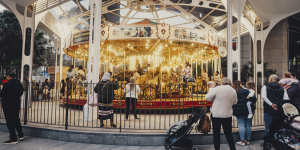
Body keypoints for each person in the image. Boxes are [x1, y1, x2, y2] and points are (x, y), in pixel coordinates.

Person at [206, 77, 237, 150]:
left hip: (216, 115)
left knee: (216, 134)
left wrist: (211, 89)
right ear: (229, 83)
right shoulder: (233, 90)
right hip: (227, 115)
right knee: (229, 134)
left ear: (222, 82)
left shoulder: (217, 89)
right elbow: (235, 102)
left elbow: (207, 98)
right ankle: (233, 148)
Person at [261, 74, 284, 150]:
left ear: (270, 79)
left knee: (268, 128)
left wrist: (271, 104)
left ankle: (267, 145)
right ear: (277, 80)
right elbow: (286, 98)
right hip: (279, 111)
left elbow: (264, 97)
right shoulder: (282, 87)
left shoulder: (265, 87)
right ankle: (276, 144)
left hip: (268, 110)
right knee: (277, 128)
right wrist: (278, 105)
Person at [0, 73, 24, 144]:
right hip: (16, 104)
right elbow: (21, 91)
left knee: (10, 122)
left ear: (8, 76)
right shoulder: (19, 83)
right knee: (16, 119)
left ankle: (13, 139)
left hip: (8, 106)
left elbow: (2, 94)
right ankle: (20, 135)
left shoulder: (7, 84)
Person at [232, 81, 256, 146]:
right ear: (240, 84)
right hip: (248, 111)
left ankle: (242, 141)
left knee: (241, 125)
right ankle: (248, 140)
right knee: (248, 125)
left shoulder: (234, 92)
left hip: (238, 111)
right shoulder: (245, 91)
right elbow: (254, 99)